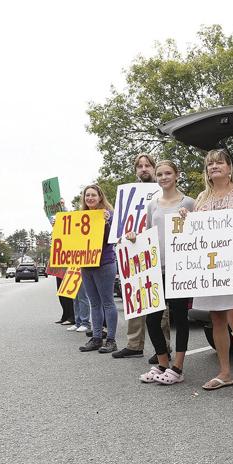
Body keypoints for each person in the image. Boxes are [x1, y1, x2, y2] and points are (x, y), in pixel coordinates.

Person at [178, 149, 233, 399]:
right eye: (210, 164)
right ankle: (225, 372)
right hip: (210, 268)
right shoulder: (202, 197)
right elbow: (193, 231)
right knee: (216, 319)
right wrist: (186, 217)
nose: (214, 166)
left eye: (219, 162)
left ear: (229, 167)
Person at [130, 160, 195, 384]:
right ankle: (162, 364)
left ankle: (178, 368)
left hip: (179, 269)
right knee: (152, 319)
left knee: (180, 317)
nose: (164, 177)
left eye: (168, 173)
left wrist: (191, 219)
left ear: (177, 175)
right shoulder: (153, 205)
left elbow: (199, 233)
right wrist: (133, 239)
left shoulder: (189, 202)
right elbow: (148, 235)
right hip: (157, 269)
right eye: (160, 174)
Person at [112, 153, 173, 363]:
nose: (144, 169)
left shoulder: (163, 191)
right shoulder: (128, 194)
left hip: (157, 251)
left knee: (159, 304)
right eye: (140, 166)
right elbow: (120, 223)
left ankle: (163, 348)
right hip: (134, 251)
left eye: (148, 165)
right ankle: (134, 345)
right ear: (136, 170)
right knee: (135, 298)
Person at [78, 184, 119, 354]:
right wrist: (57, 224)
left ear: (100, 197)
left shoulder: (109, 215)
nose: (90, 198)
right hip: (86, 264)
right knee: (94, 303)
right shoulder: (80, 218)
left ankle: (111, 340)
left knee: (107, 302)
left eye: (93, 195)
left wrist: (107, 222)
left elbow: (113, 238)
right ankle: (96, 338)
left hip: (104, 263)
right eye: (87, 195)